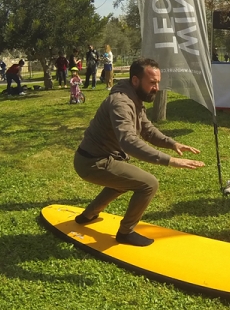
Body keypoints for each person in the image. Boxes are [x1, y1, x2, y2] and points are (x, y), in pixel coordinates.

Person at [73, 58, 205, 247]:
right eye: (152, 83)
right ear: (135, 80)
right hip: (91, 162)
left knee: (125, 181)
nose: (156, 88)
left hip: (102, 158)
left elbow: (147, 129)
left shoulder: (134, 97)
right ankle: (125, 232)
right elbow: (128, 141)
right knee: (148, 184)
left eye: (158, 82)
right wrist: (171, 161)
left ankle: (88, 215)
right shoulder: (121, 103)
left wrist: (172, 144)